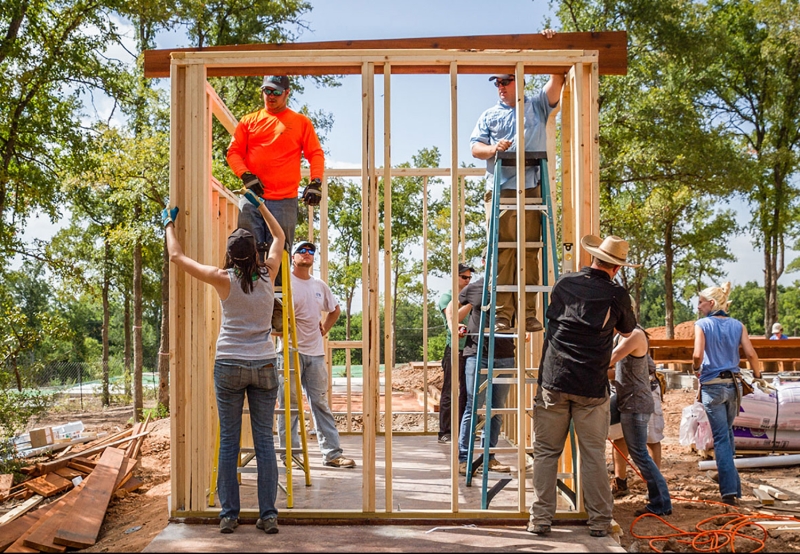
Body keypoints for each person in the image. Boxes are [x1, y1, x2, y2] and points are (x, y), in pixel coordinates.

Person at [163, 190, 284, 535]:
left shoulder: (222, 278)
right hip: (263, 365)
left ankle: (229, 515)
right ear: (256, 254)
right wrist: (260, 204)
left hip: (229, 364)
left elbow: (177, 257)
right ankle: (269, 515)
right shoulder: (268, 275)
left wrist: (169, 224)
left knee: (229, 440)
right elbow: (280, 236)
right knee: (263, 441)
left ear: (230, 256)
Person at [529, 234, 638, 538]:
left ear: (593, 258)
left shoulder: (564, 283)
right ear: (616, 268)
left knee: (546, 452)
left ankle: (540, 519)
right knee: (591, 453)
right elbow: (627, 329)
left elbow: (555, 318)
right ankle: (600, 522)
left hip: (554, 379)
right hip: (591, 385)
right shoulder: (616, 295)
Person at [469, 28, 565, 334]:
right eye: (496, 82)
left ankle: (528, 313)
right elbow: (474, 148)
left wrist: (547, 44)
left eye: (505, 80)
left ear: (518, 80)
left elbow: (557, 80)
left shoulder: (536, 105)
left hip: (532, 188)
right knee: (502, 252)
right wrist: (493, 149)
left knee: (530, 250)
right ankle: (503, 313)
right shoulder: (489, 115)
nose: (500, 86)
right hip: (501, 189)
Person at [227, 75, 325, 262]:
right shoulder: (248, 121)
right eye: (267, 91)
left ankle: (273, 291)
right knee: (245, 248)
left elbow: (315, 154)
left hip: (284, 201)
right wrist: (245, 175)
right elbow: (233, 152)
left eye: (276, 92)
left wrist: (316, 182)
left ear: (286, 93)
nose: (271, 96)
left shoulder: (300, 122)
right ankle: (247, 289)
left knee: (279, 255)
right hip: (252, 197)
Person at [277, 241, 356, 469]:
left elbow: (335, 309)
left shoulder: (319, 285)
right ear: (293, 257)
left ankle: (332, 454)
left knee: (320, 403)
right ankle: (289, 456)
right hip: (290, 352)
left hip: (316, 355)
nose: (307, 254)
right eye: (302, 251)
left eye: (311, 251)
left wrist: (325, 328)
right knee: (289, 405)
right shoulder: (285, 284)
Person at [693, 282, 762, 506]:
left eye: (701, 302)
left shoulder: (702, 324)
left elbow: (697, 354)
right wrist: (759, 376)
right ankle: (734, 484)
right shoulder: (738, 325)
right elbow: (751, 353)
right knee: (727, 434)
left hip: (712, 385)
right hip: (734, 385)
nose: (699, 307)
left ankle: (729, 491)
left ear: (711, 303)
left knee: (721, 438)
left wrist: (696, 369)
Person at [607, 321, 672, 517]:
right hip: (625, 399)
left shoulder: (634, 335)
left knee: (639, 454)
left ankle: (661, 502)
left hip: (636, 402)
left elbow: (611, 360)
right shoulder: (620, 336)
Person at [457, 260, 514, 475]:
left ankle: (488, 457)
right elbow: (455, 308)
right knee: (474, 407)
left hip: (505, 354)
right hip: (477, 354)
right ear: (485, 261)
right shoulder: (475, 287)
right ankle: (465, 458)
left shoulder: (512, 288)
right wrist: (457, 325)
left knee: (496, 409)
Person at [437, 262, 474, 444]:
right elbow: (454, 317)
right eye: (464, 277)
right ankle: (444, 432)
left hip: (470, 350)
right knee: (449, 391)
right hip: (454, 349)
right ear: (455, 278)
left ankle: (462, 432)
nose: (468, 280)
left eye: (469, 277)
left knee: (466, 392)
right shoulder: (447, 297)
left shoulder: (472, 296)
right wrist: (472, 303)